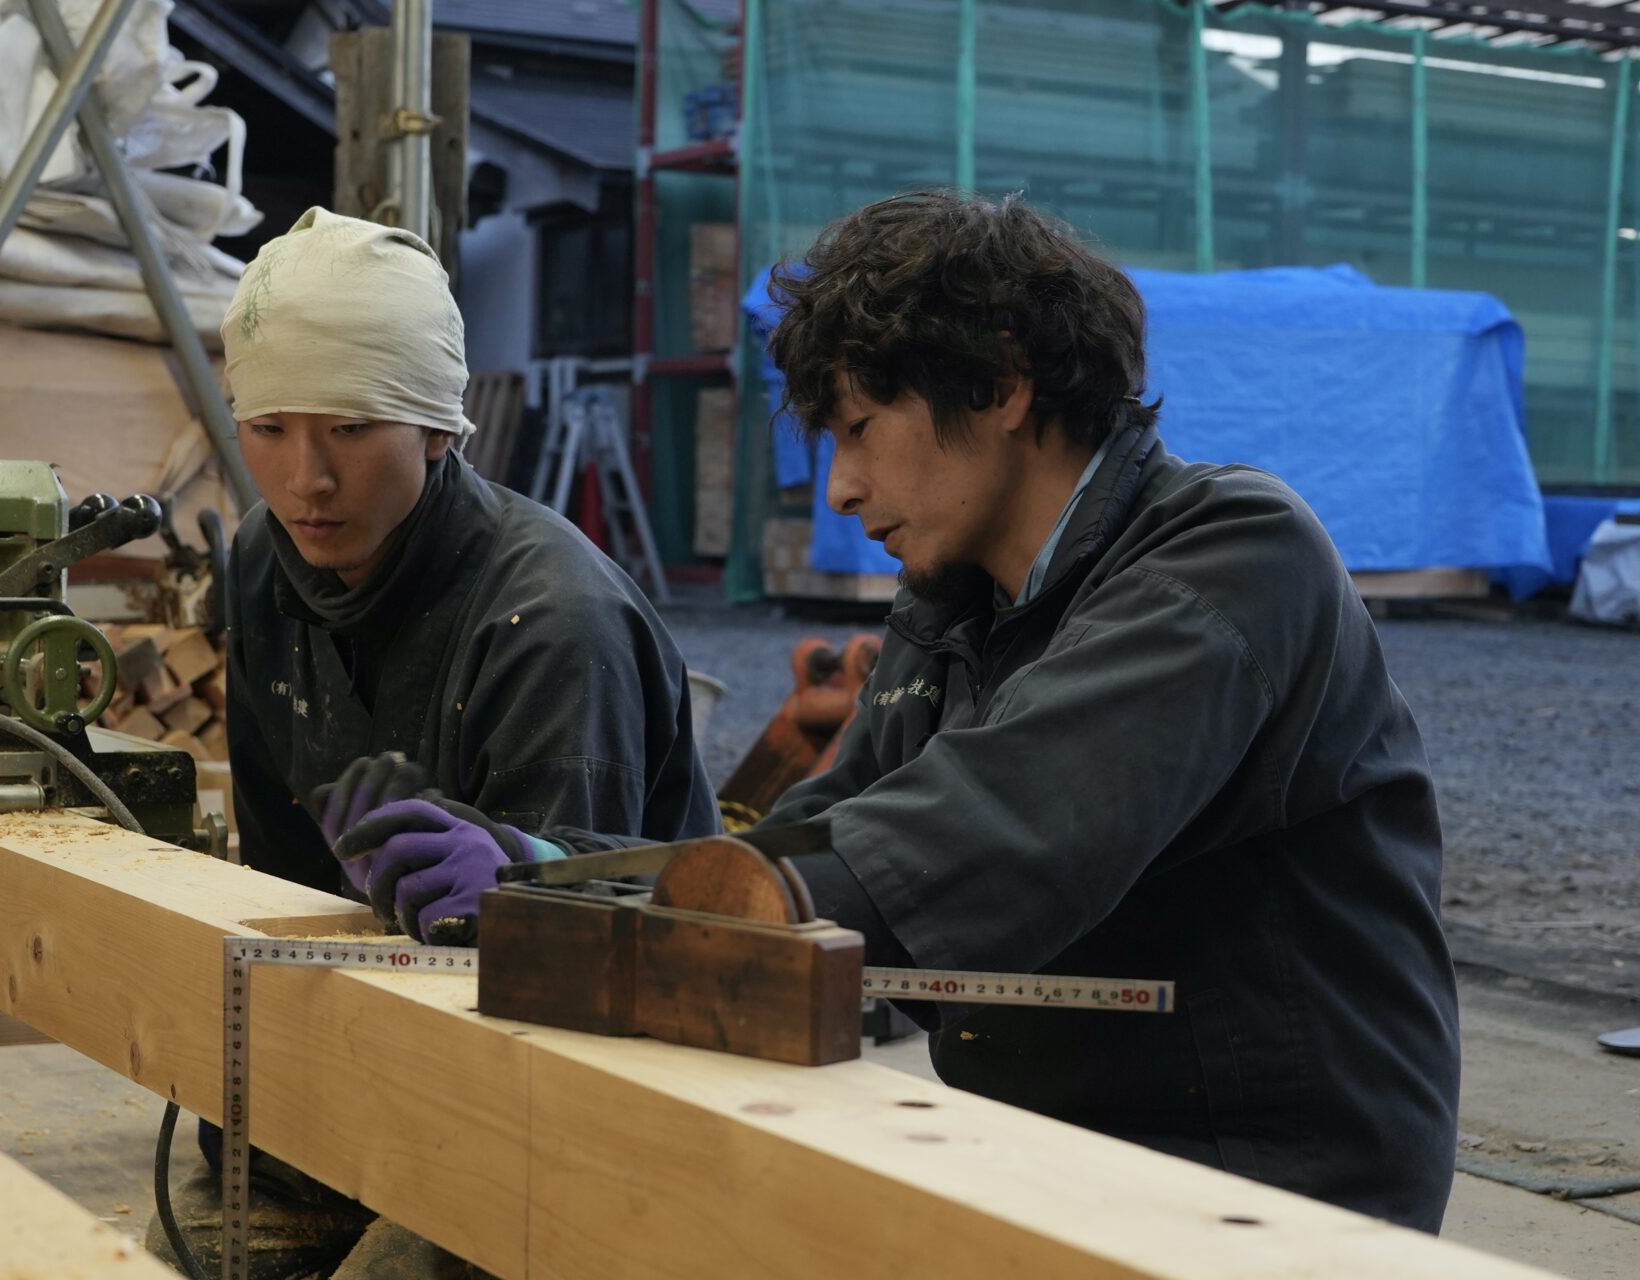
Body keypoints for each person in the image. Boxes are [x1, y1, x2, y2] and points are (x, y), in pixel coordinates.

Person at [330, 191, 1462, 1233]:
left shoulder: (1230, 556)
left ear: (1003, 382)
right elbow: (821, 835)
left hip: (1271, 1185)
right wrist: (545, 876)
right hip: (1046, 1153)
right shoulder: (953, 602)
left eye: (862, 426)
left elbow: (995, 838)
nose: (840, 487)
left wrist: (640, 921)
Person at [148, 207, 717, 1279]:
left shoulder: (554, 624)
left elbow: (579, 976)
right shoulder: (264, 564)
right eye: (268, 427)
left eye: (352, 429)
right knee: (203, 1245)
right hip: (379, 1031)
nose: (306, 478)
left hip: (566, 1080)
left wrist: (511, 891)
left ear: (440, 429)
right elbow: (281, 883)